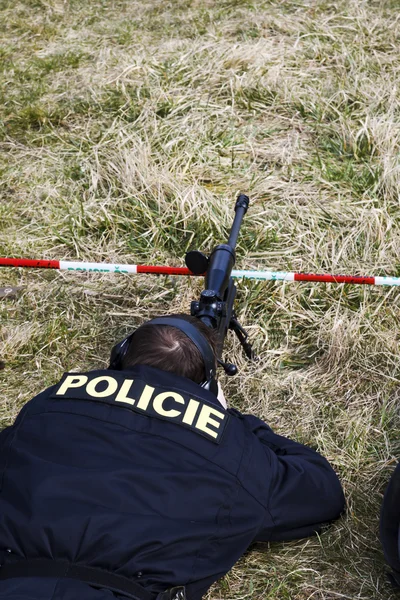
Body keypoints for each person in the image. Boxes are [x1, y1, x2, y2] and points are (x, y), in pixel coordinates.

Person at [0, 313, 345, 600]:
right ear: (207, 386)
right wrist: (234, 420)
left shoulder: (50, 402)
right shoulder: (230, 445)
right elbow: (320, 492)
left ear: (119, 357)